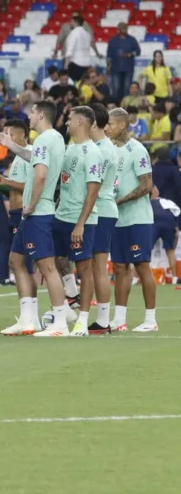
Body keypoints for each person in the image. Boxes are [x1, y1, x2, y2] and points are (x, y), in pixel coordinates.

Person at [0, 101, 69, 336]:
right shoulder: (54, 138)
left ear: (40, 115)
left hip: (39, 211)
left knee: (47, 266)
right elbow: (33, 157)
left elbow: (40, 175)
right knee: (16, 260)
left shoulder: (45, 140)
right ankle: (28, 320)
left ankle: (59, 323)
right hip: (37, 211)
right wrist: (10, 146)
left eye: (31, 113)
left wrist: (32, 205)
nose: (28, 116)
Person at [50, 107, 102, 336]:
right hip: (61, 215)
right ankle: (67, 308)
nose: (67, 123)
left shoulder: (92, 153)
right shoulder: (70, 147)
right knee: (53, 261)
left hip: (81, 220)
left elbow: (93, 191)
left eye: (70, 119)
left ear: (80, 122)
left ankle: (82, 319)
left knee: (84, 267)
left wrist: (81, 223)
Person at [107, 108, 158, 332]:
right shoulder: (109, 150)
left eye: (110, 124)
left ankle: (150, 319)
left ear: (122, 125)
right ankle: (119, 319)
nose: (106, 128)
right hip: (117, 219)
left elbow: (147, 185)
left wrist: (121, 201)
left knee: (142, 265)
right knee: (119, 267)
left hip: (137, 217)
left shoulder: (137, 149)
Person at [0, 119, 38, 328]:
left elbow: (26, 186)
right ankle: (31, 316)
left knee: (22, 263)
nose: (6, 139)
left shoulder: (27, 155)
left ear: (22, 136)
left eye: (9, 134)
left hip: (23, 212)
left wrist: (3, 180)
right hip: (16, 212)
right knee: (21, 263)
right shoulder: (17, 158)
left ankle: (30, 316)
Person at [88, 103, 119, 334]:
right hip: (102, 207)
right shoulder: (101, 147)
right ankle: (101, 319)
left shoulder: (101, 150)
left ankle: (103, 320)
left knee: (97, 266)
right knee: (94, 265)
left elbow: (93, 185)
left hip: (100, 209)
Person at [151, 185, 179, 286]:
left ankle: (135, 278)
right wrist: (176, 226)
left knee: (144, 251)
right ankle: (175, 279)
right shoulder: (167, 202)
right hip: (169, 223)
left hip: (154, 222)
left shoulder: (146, 203)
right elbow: (176, 213)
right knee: (170, 251)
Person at [106, 22, 140, 100]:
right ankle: (116, 106)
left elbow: (138, 51)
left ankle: (125, 106)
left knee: (127, 88)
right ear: (118, 30)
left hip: (128, 69)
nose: (124, 30)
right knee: (116, 88)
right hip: (115, 68)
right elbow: (109, 55)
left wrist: (130, 54)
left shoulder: (132, 39)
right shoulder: (113, 40)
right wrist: (108, 67)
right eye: (122, 28)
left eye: (125, 28)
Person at [64, 15, 95, 83]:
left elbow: (70, 49)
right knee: (83, 85)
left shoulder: (74, 33)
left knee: (72, 85)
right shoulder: (87, 34)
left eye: (71, 21)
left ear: (73, 21)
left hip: (76, 63)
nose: (70, 23)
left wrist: (66, 64)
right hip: (87, 63)